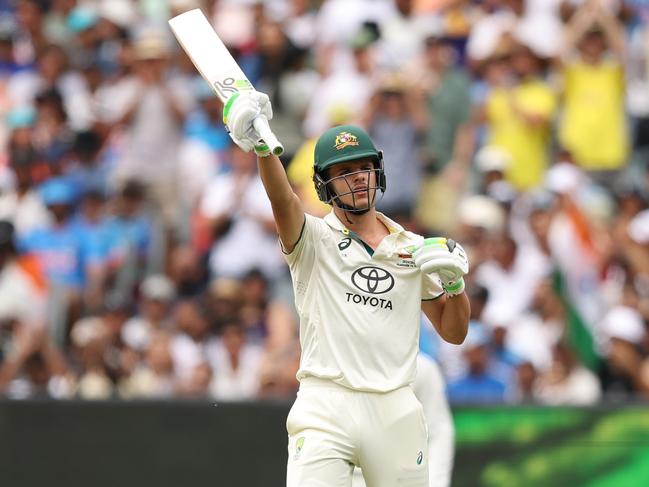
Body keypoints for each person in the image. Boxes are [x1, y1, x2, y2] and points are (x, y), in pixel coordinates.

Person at [224, 91, 470, 486]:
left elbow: (454, 332)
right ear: (324, 185)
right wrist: (263, 148)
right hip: (326, 404)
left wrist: (456, 287)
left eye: (363, 167)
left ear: (378, 172)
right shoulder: (313, 240)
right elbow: (282, 200)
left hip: (395, 407)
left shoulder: (412, 248)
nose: (356, 177)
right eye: (343, 171)